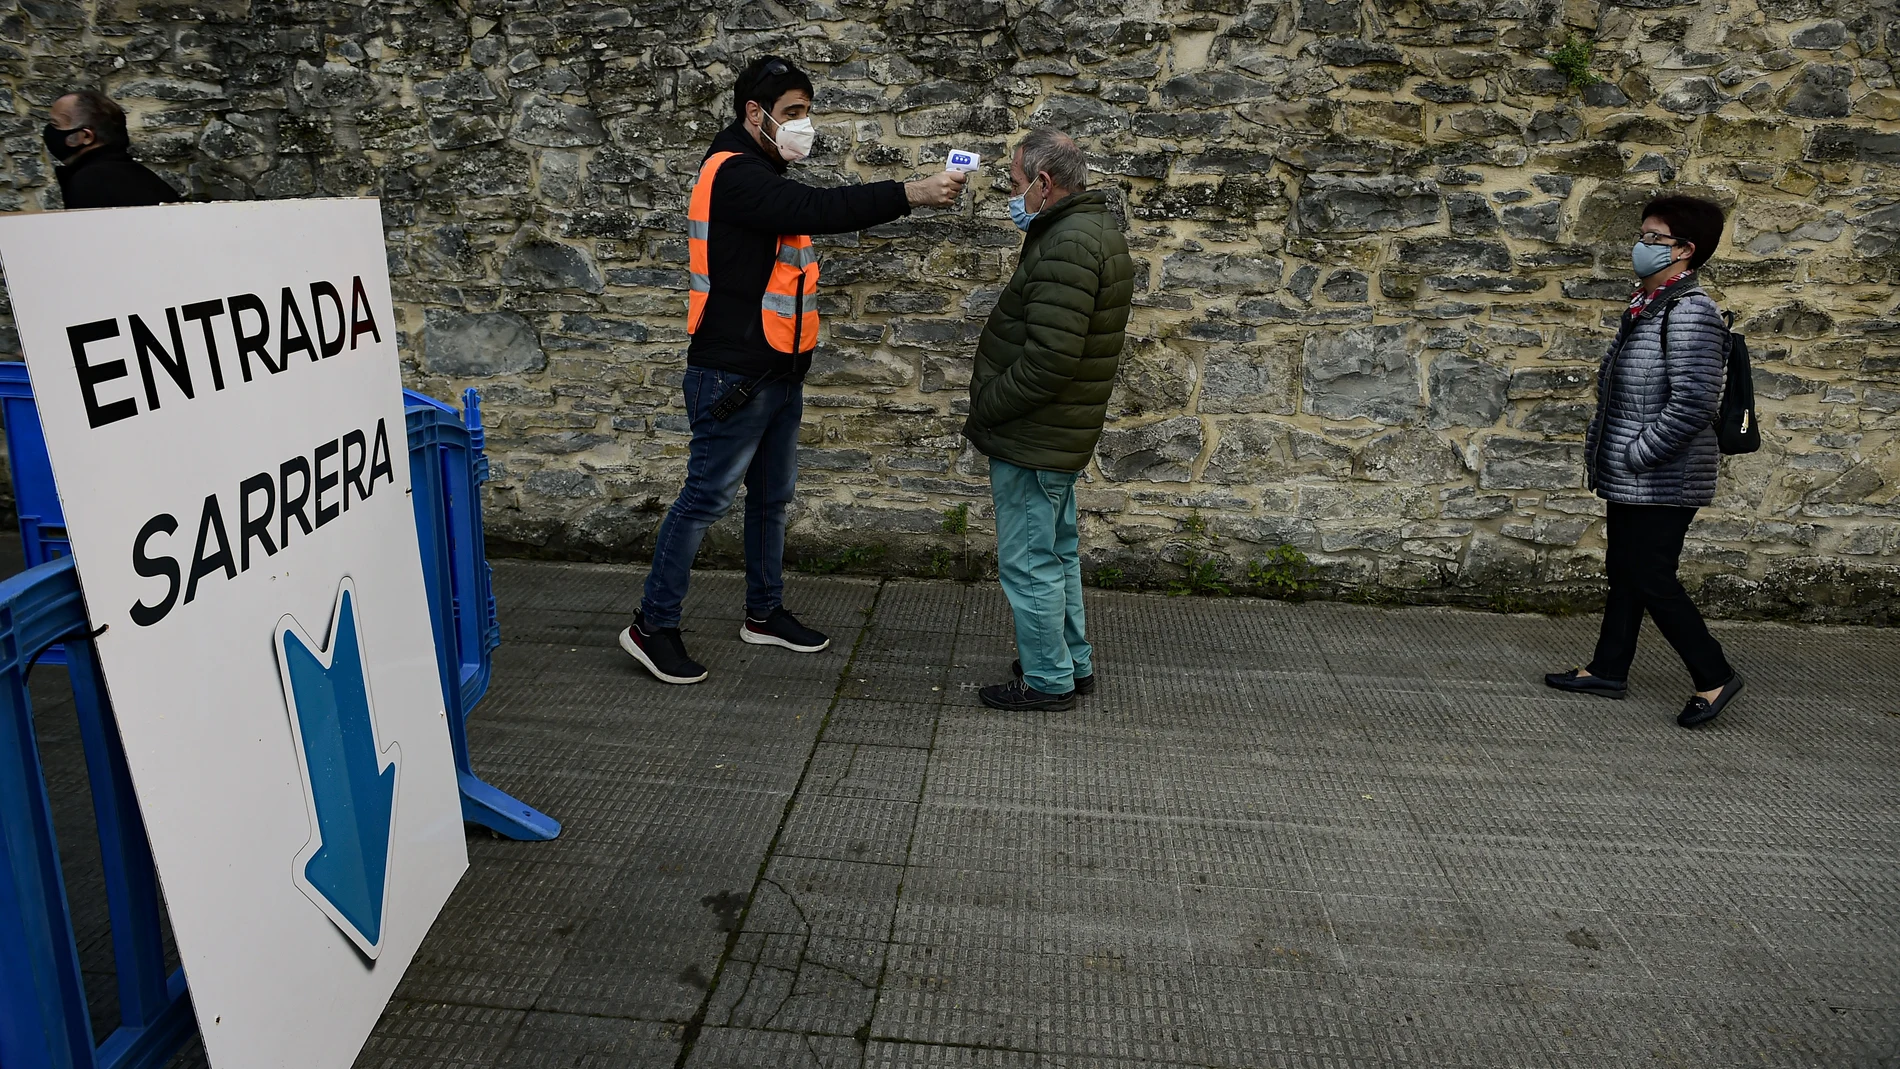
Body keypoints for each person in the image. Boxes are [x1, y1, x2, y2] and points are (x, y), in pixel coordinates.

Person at [619, 56, 967, 685]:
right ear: (756, 114)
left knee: (771, 500)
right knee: (704, 501)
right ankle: (652, 625)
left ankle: (763, 613)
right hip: (732, 376)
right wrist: (910, 193)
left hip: (775, 372)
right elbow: (819, 209)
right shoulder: (735, 175)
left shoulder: (760, 168)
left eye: (806, 112)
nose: (804, 125)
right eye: (793, 114)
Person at [1546, 194, 1745, 728]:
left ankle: (1714, 674)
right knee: (1625, 571)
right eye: (1643, 235)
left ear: (1685, 250)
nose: (1642, 246)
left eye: (1654, 238)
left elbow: (1694, 403)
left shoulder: (1691, 311)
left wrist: (1637, 453)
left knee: (1652, 575)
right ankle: (1608, 668)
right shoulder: (1648, 305)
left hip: (1664, 473)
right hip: (1637, 473)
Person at [963, 129, 1133, 712]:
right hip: (1055, 433)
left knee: (1030, 559)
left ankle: (1048, 681)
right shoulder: (1087, 230)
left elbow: (1049, 361)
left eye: (1015, 184)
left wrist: (987, 405)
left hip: (1034, 434)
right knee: (1055, 549)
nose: (1013, 196)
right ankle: (1070, 663)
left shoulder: (1066, 243)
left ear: (1043, 183)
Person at [44, 90, 181, 209]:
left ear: (85, 136)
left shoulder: (92, 182)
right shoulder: (140, 175)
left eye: (56, 125)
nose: (50, 131)